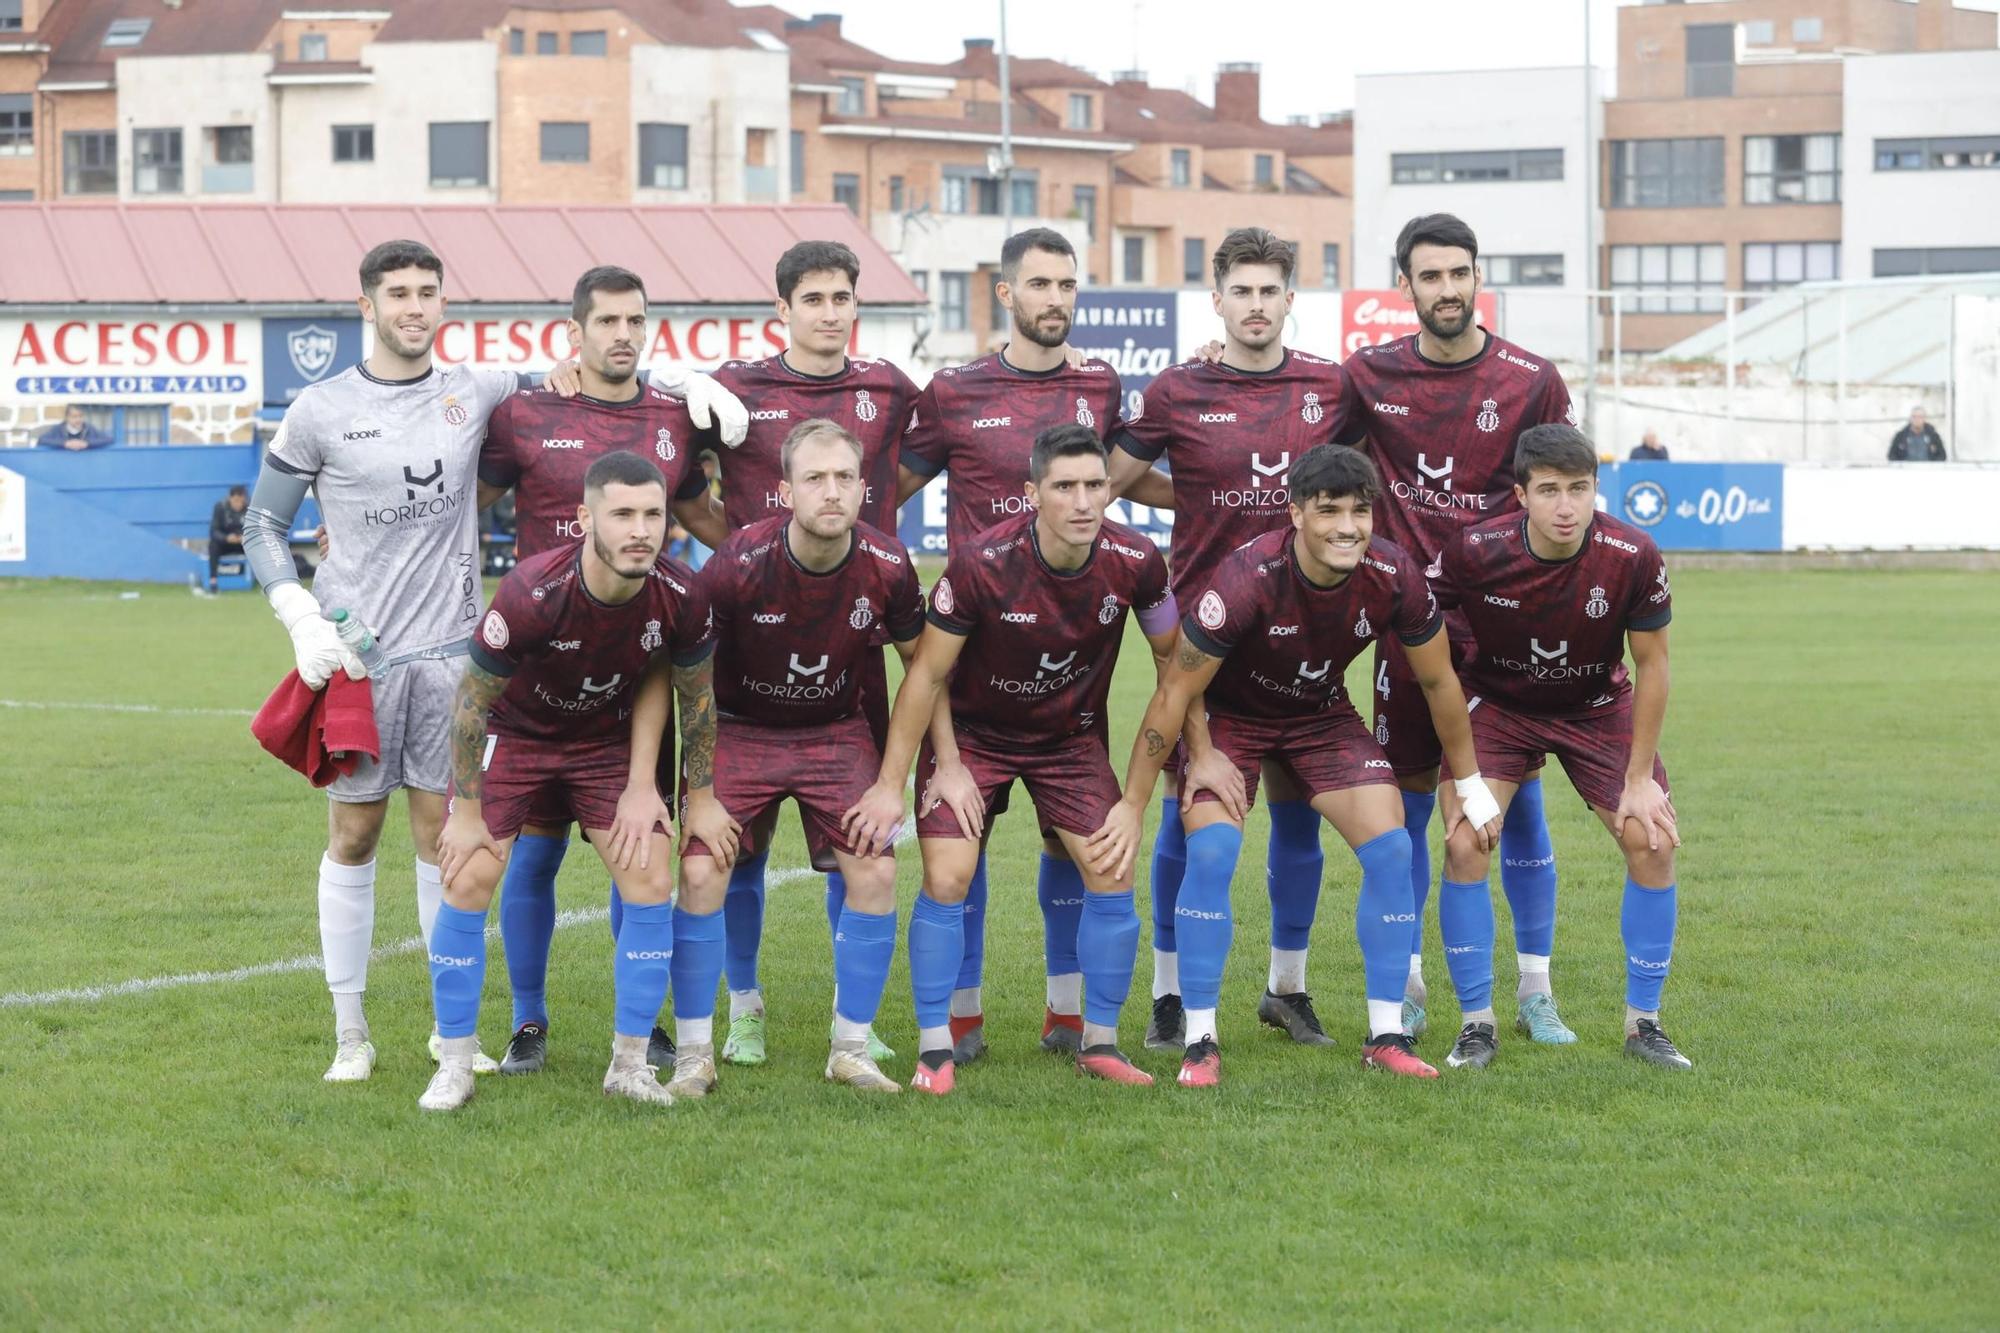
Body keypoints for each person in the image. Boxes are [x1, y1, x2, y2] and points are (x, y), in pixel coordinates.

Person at [240, 238, 743, 1083]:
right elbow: (264, 522)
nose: (413, 306)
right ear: (366, 305)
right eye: (396, 293)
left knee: (449, 838)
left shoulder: (478, 388)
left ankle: (455, 1038)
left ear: (444, 302)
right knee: (355, 832)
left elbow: (579, 369)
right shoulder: (319, 408)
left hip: (457, 654)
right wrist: (298, 610)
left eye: (427, 292)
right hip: (361, 656)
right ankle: (351, 1032)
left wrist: (686, 386)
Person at [1092, 444, 1501, 1086]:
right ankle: (1200, 1039)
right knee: (1214, 852)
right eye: (1329, 509)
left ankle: (1386, 1033)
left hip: (1320, 716)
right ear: (1295, 515)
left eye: (1360, 512)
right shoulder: (1246, 579)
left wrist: (1471, 782)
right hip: (1231, 718)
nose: (1347, 526)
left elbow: (1441, 682)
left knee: (1394, 850)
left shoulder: (1395, 574)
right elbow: (1174, 690)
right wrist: (1137, 802)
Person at [846, 424, 1180, 1094]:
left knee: (1112, 867)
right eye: (1065, 487)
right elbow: (925, 675)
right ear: (1033, 494)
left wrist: (1140, 798)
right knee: (948, 873)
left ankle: (1100, 1040)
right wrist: (905, 777)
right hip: (973, 737)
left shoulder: (1137, 559)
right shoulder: (980, 562)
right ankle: (939, 1045)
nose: (1084, 501)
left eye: (1095, 486)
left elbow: (1176, 671)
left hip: (1070, 740)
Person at [471, 264, 733, 1076]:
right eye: (607, 320)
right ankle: (528, 1021)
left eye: (636, 320)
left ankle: (642, 1022)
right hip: (541, 678)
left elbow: (701, 515)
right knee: (537, 854)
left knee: (640, 841)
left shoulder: (673, 413)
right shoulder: (526, 411)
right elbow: (460, 505)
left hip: (638, 676)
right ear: (574, 331)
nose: (623, 334)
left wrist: (772, 564)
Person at [894, 227, 1147, 1063]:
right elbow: (883, 484)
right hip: (972, 666)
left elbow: (1127, 478)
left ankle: (1068, 1013)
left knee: (1066, 846)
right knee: (956, 853)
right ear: (1006, 295)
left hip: (1071, 665)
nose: (1055, 300)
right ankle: (957, 1020)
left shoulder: (1103, 386)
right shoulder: (956, 389)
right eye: (1039, 284)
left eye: (1068, 285)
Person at [1334, 213, 1581, 1047]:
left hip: (1506, 630)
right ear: (1403, 285)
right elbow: (1318, 473)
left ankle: (1536, 992)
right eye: (1429, 275)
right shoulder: (1365, 376)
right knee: (1404, 807)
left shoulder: (1531, 379)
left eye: (1460, 273)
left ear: (1480, 276)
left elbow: (1566, 491)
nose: (1447, 289)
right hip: (1406, 631)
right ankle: (1405, 985)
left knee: (1519, 807)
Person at [1107, 225, 1355, 1053]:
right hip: (1207, 638)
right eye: (1240, 291)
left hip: (1305, 631)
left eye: (1269, 290)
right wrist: (1192, 496)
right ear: (1217, 300)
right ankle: (1171, 993)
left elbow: (1362, 481)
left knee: (1297, 814)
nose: (1255, 305)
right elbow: (1113, 473)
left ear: (1291, 299)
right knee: (1189, 815)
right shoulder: (1179, 388)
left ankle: (1288, 986)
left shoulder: (1331, 385)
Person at [420, 449, 723, 1111]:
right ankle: (454, 1060)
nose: (640, 528)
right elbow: (471, 703)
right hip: (516, 732)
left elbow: (692, 698)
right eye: (622, 514)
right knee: (469, 872)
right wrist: (466, 813)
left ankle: (629, 1064)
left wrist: (678, 794)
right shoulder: (532, 590)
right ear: (585, 518)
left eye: (652, 513)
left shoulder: (681, 593)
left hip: (600, 739)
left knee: (649, 872)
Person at [642, 420, 929, 1099]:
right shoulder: (738, 563)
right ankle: (693, 1055)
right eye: (814, 478)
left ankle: (850, 1048)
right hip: (741, 727)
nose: (831, 492)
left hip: (835, 731)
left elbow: (925, 669)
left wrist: (898, 782)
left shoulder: (888, 564)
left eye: (843, 478)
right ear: (784, 491)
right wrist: (702, 795)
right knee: (701, 870)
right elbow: (689, 674)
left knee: (875, 871)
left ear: (865, 487)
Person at [700, 239, 922, 1069]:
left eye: (842, 298)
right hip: (752, 641)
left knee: (855, 838)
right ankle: (744, 1007)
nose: (830, 312)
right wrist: (732, 553)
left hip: (854, 633)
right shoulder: (733, 388)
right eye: (814, 299)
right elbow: (680, 480)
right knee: (736, 848)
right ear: (782, 310)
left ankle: (850, 1013)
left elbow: (924, 463)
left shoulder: (891, 388)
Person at [1427, 423, 1690, 1071]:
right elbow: (1428, 649)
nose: (1566, 506)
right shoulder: (1474, 551)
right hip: (1499, 707)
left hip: (1596, 709)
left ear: (1597, 488)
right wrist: (1454, 772)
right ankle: (1476, 1024)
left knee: (1651, 839)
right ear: (1521, 494)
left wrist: (1638, 778)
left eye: (1579, 489)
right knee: (1465, 841)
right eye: (1549, 490)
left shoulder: (1632, 554)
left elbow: (1652, 666)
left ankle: (1643, 1025)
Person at [208, 485, 248, 592]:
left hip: (243, 543)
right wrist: (226, 538)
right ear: (230, 498)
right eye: (235, 500)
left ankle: (261, 583)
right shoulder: (220, 507)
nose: (238, 504)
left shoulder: (250, 508)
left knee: (258, 546)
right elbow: (214, 531)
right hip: (226, 543)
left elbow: (256, 530)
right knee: (213, 545)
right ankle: (213, 581)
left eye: (241, 501)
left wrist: (244, 537)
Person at [35, 404, 113, 450]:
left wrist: (87, 443)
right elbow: (42, 440)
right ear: (67, 417)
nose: (78, 419)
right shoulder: (58, 429)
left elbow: (108, 439)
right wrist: (65, 444)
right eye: (74, 417)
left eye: (80, 416)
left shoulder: (89, 428)